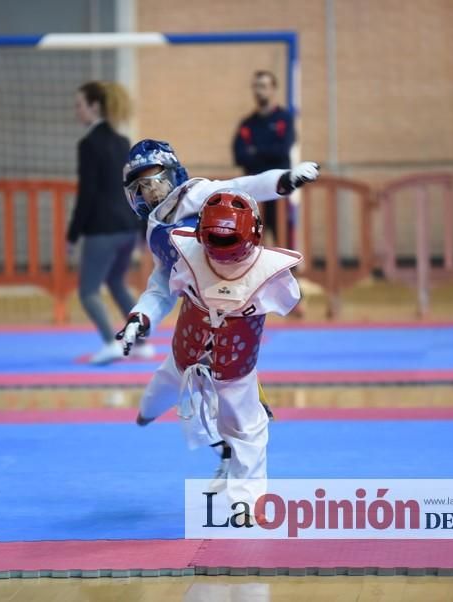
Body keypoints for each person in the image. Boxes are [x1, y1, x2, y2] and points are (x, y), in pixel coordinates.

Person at [115, 138, 318, 489]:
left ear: (173, 175)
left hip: (236, 310)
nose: (148, 193)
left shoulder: (199, 195)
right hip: (195, 318)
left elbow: (243, 186)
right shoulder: (156, 232)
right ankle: (168, 422)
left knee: (234, 405)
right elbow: (160, 285)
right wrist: (139, 319)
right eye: (139, 187)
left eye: (154, 181)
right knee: (162, 394)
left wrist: (283, 181)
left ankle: (240, 477)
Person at [67, 81, 145, 365]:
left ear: (94, 107)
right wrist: (140, 228)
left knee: (88, 292)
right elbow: (133, 189)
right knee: (115, 282)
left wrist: (73, 234)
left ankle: (111, 343)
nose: (76, 111)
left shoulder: (89, 144)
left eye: (79, 105)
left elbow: (87, 193)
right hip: (127, 226)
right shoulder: (122, 142)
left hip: (103, 228)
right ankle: (142, 343)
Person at [232, 71, 296, 247]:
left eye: (263, 86)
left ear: (273, 89)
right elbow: (239, 156)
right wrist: (266, 153)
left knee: (283, 239)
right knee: (250, 240)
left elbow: (282, 151)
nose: (259, 91)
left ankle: (290, 273)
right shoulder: (247, 124)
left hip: (279, 191)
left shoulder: (284, 119)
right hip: (253, 194)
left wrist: (256, 151)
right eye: (256, 86)